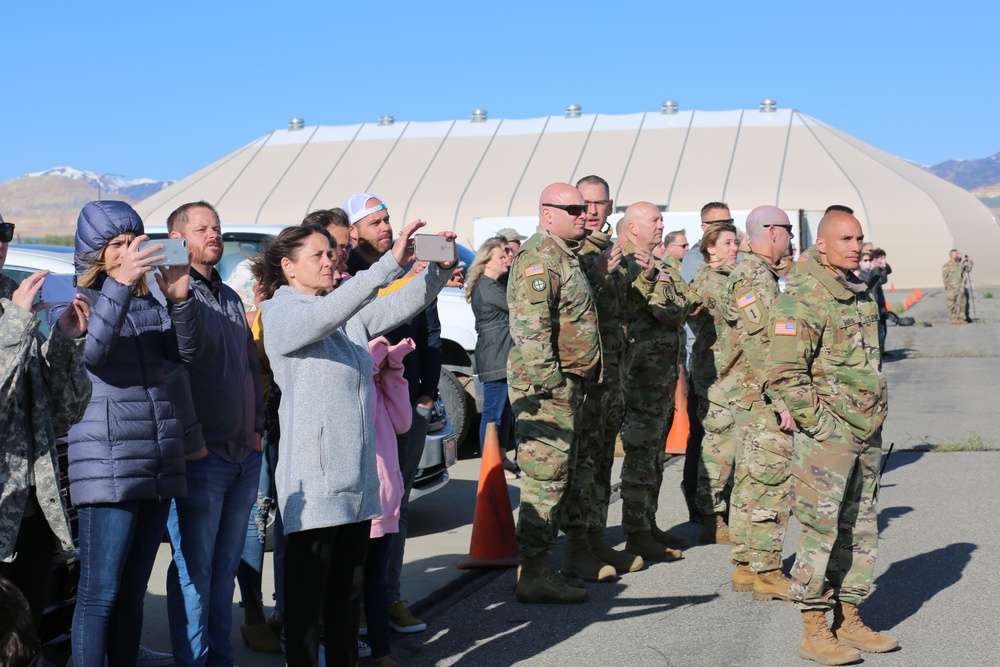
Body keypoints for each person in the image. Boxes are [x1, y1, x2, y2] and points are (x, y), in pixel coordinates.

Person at [256, 221, 452, 666]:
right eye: (318, 256)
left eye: (332, 254)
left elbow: (401, 303)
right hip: (316, 487)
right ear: (288, 267)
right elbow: (333, 312)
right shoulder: (281, 312)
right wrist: (389, 264)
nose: (330, 262)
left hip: (357, 484)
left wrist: (436, 273)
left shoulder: (340, 312)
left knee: (346, 603)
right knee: (308, 612)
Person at [54, 201, 202, 667]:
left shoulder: (146, 300)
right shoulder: (79, 302)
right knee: (99, 593)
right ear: (95, 255)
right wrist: (118, 284)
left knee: (134, 591)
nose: (127, 252)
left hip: (157, 457)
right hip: (107, 459)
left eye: (133, 242)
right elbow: (93, 353)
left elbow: (186, 353)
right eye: (116, 245)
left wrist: (179, 299)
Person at [768, 210, 895, 665]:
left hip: (865, 432)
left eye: (859, 236)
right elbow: (784, 371)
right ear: (821, 244)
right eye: (845, 238)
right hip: (830, 438)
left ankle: (850, 616)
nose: (856, 244)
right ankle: (815, 628)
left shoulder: (856, 290)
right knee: (821, 534)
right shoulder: (805, 295)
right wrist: (821, 427)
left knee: (860, 529)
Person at [164, 201, 265, 667]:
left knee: (225, 568)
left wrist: (259, 427)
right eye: (202, 228)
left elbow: (250, 365)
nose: (214, 234)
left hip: (244, 455)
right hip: (201, 458)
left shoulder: (227, 297)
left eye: (217, 227)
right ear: (178, 238)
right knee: (195, 572)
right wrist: (193, 441)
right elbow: (173, 374)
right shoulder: (170, 297)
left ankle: (219, 659)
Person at [345, 193, 443, 634]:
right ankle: (359, 606)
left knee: (397, 506)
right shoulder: (344, 272)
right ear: (354, 232)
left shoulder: (410, 265)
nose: (386, 228)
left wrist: (427, 393)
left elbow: (431, 332)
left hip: (407, 405)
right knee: (366, 514)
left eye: (388, 219)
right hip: (365, 409)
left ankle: (389, 598)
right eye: (375, 222)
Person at [507, 183, 601, 603]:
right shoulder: (539, 259)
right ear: (548, 214)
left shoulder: (566, 254)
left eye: (585, 208)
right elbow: (532, 330)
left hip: (570, 385)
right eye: (574, 208)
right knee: (544, 480)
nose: (584, 214)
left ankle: (553, 564)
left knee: (565, 478)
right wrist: (552, 387)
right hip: (548, 390)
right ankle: (534, 574)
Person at [0, 214, 91, 635]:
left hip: (29, 510)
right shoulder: (15, 314)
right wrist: (17, 324)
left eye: (5, 233)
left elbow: (63, 411)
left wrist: (66, 341)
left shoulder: (11, 303)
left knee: (23, 639)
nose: (1, 243)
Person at [559, 174, 643, 581]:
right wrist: (597, 270)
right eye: (584, 203)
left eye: (599, 203)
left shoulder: (614, 249)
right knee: (581, 464)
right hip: (582, 376)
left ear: (611, 207)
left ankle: (595, 537)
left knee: (602, 459)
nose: (591, 211)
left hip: (612, 373)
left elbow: (626, 308)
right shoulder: (567, 250)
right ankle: (576, 545)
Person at [722, 206, 796, 601]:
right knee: (770, 482)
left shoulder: (758, 275)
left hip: (751, 393)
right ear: (770, 231)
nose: (790, 238)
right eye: (786, 230)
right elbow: (764, 344)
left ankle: (747, 564)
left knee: (751, 481)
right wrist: (784, 399)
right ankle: (767, 570)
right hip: (761, 396)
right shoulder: (754, 279)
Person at [619, 202, 692, 563]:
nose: (662, 225)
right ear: (633, 228)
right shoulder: (627, 264)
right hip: (640, 376)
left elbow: (683, 305)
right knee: (640, 456)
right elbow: (657, 309)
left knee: (654, 456)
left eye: (661, 219)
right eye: (654, 220)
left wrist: (672, 305)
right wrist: (668, 304)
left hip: (662, 376)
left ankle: (648, 524)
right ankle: (635, 532)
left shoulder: (659, 264)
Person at [686, 222, 739, 544]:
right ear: (711, 249)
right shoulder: (707, 282)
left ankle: (725, 510)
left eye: (736, 242)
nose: (735, 248)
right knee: (718, 447)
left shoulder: (731, 279)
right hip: (715, 375)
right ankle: (712, 516)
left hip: (733, 375)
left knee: (731, 447)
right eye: (728, 243)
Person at [365, 335, 415, 667]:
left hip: (385, 502)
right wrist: (368, 364)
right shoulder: (356, 385)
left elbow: (403, 422)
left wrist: (393, 369)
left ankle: (382, 653)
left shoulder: (380, 382)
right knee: (349, 584)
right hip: (359, 504)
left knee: (376, 583)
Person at [465, 238, 516, 472]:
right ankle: (490, 465)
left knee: (504, 413)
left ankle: (501, 457)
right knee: (493, 413)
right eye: (500, 256)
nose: (506, 259)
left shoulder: (495, 283)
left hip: (503, 356)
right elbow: (515, 305)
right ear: (486, 262)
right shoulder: (486, 286)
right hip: (495, 357)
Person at [680, 202, 733, 282]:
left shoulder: (736, 251)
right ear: (704, 227)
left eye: (729, 222)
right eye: (719, 223)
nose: (727, 227)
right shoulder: (695, 257)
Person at [942, 249, 973, 324]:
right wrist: (948, 286)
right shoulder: (947, 265)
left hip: (961, 287)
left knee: (962, 303)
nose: (958, 255)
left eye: (958, 254)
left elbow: (967, 270)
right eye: (956, 254)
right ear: (951, 255)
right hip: (952, 288)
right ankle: (953, 318)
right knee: (951, 304)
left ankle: (961, 318)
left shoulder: (960, 264)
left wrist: (970, 263)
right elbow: (945, 277)